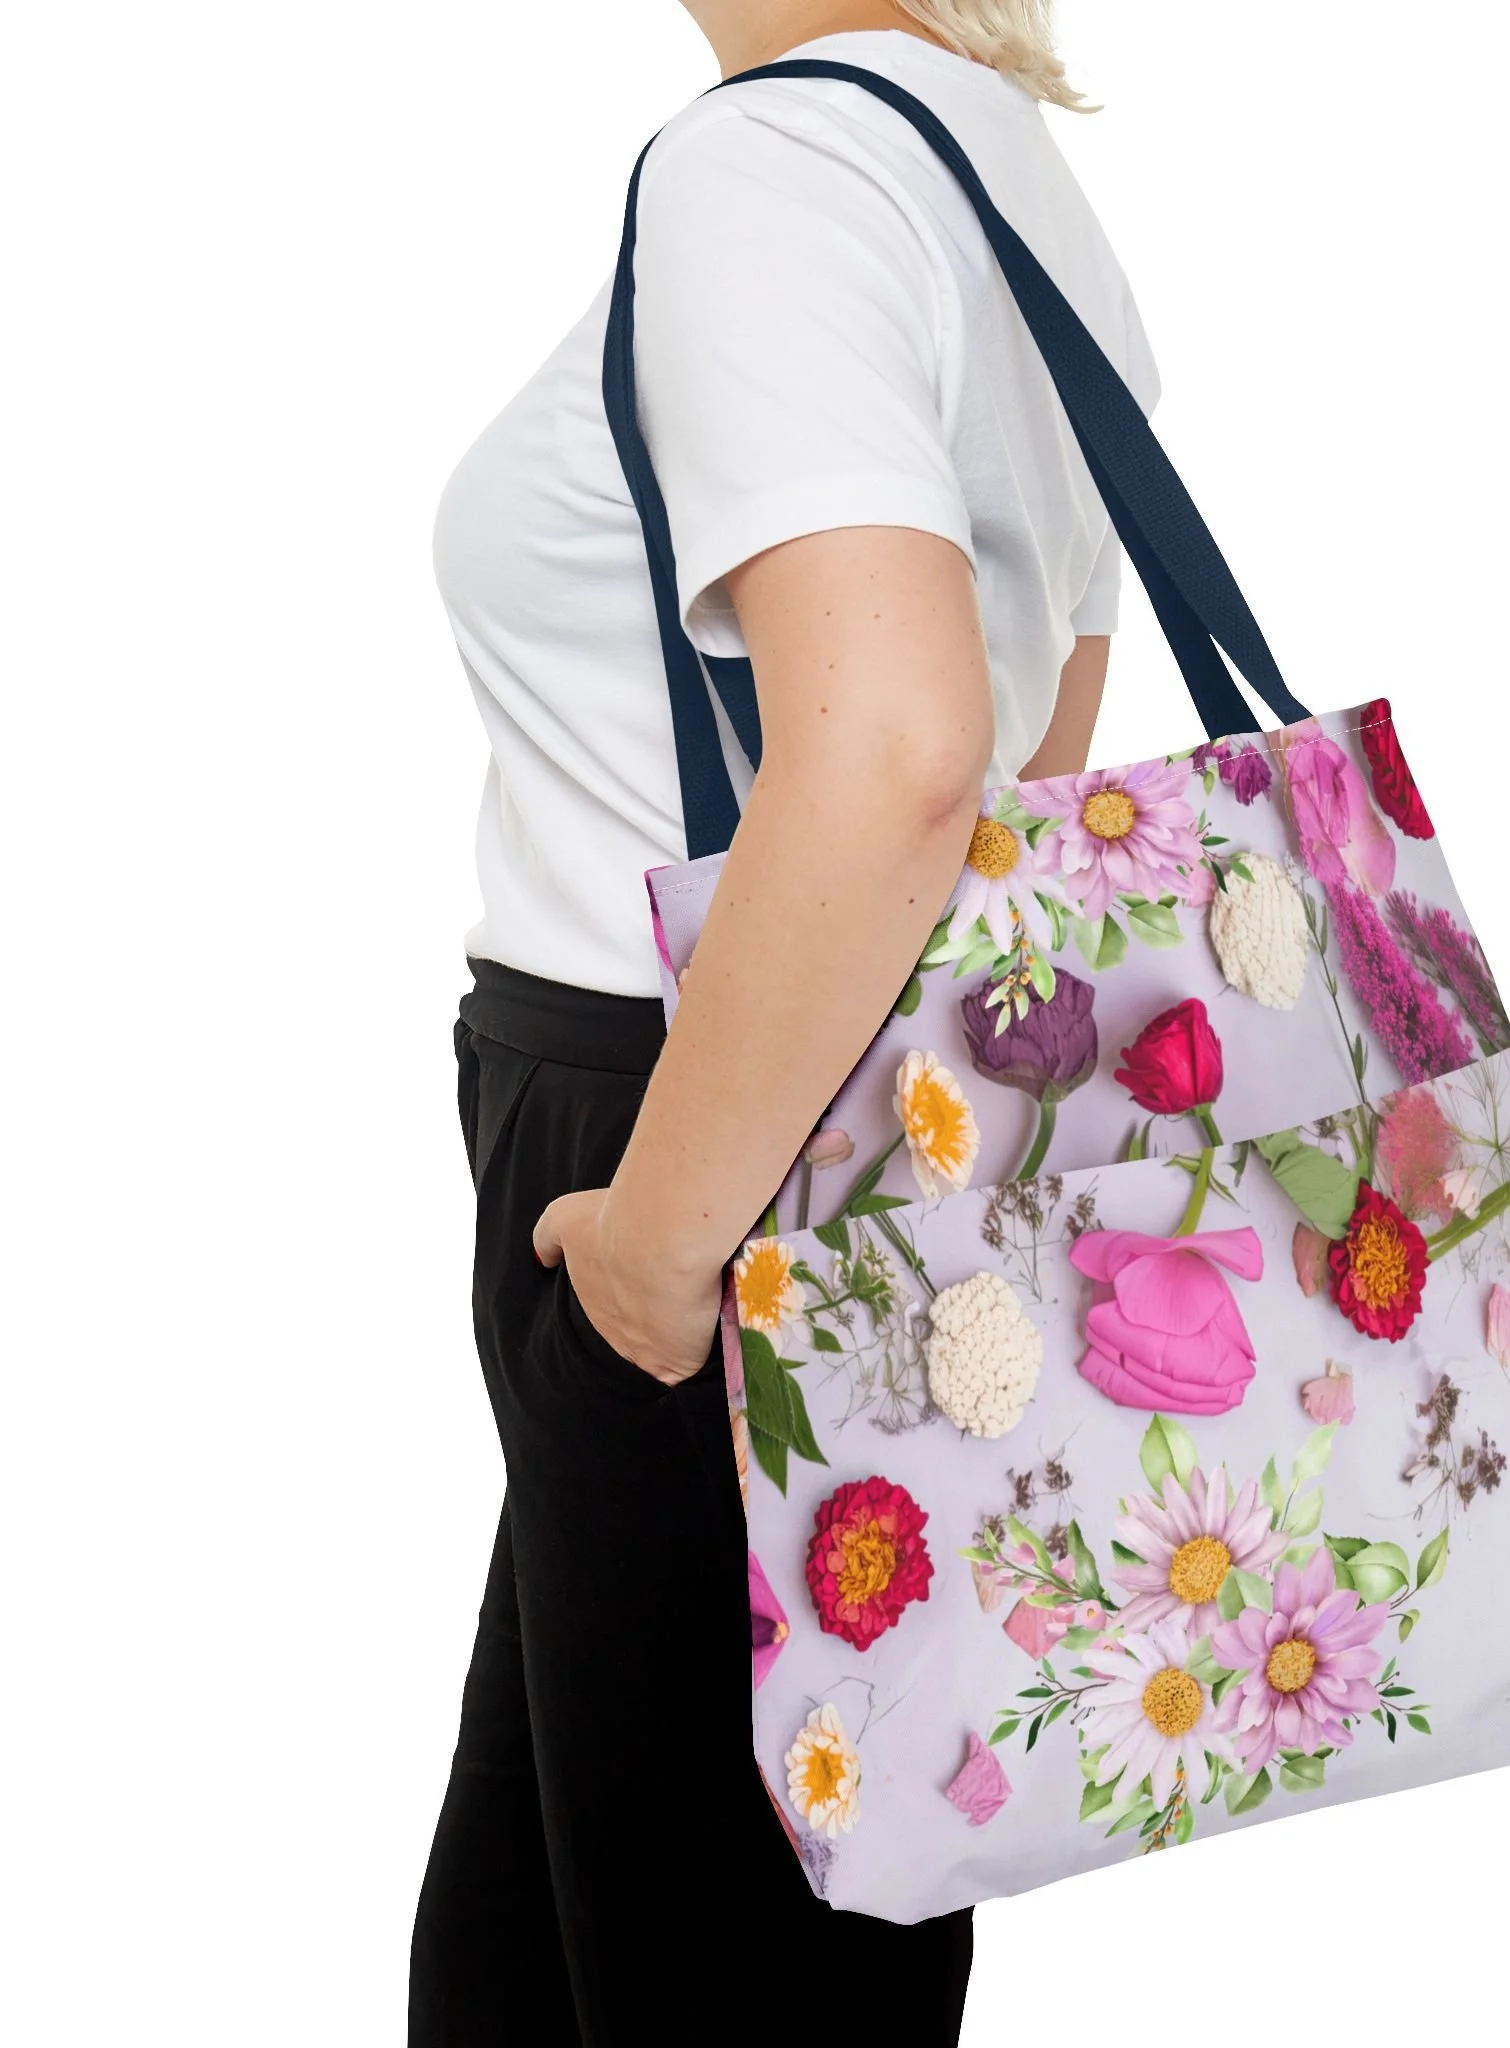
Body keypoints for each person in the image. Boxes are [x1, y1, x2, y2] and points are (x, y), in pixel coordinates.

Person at [410, 4, 1156, 2041]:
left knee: (703, 1973)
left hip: (689, 1150)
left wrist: (658, 1257)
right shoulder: (997, 164)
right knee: (580, 1951)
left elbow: (909, 750)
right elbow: (1034, 777)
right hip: (837, 1128)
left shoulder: (774, 171)